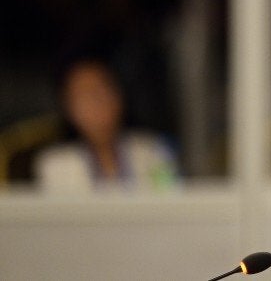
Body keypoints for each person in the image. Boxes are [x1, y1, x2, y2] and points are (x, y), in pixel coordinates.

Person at [35, 58, 179, 194]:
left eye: (103, 91)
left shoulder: (153, 151)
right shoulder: (55, 164)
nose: (98, 102)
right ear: (69, 107)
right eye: (86, 96)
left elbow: (169, 198)